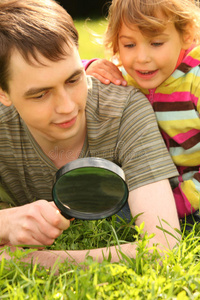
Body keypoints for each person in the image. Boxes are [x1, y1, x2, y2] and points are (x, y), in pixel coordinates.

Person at [0, 0, 180, 270]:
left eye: (74, 79)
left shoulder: (125, 110)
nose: (67, 107)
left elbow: (163, 246)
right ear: (3, 93)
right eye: (40, 94)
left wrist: (33, 261)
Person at [85, 0, 200, 222]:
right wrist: (89, 67)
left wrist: (183, 199)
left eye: (156, 43)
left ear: (185, 34)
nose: (142, 58)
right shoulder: (126, 77)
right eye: (129, 45)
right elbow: (62, 78)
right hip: (151, 183)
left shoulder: (195, 80)